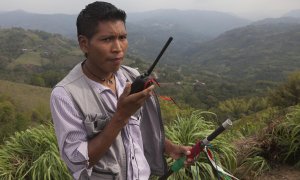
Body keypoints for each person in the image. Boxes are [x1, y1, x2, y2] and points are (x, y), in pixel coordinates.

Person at [50, 1, 191, 179]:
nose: (118, 48)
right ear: (84, 44)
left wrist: (168, 147)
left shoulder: (131, 76)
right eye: (107, 39)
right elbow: (78, 162)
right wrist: (121, 116)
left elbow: (138, 129)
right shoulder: (65, 95)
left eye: (122, 38)